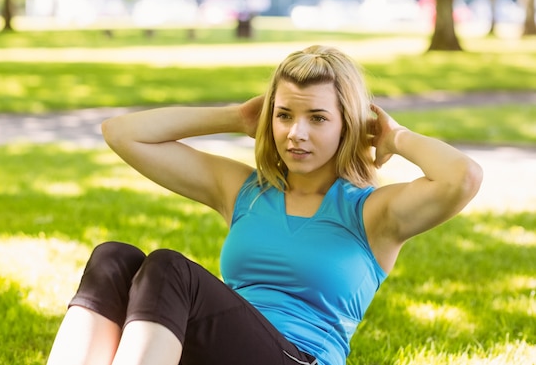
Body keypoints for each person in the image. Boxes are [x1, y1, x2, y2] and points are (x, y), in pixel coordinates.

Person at [46, 45, 483, 365]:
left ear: (349, 124)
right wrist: (234, 118)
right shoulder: (245, 191)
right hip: (225, 350)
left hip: (301, 357)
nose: (296, 133)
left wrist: (395, 138)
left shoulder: (372, 214)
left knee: (168, 268)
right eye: (284, 114)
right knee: (114, 259)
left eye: (317, 118)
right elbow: (121, 133)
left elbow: (462, 177)